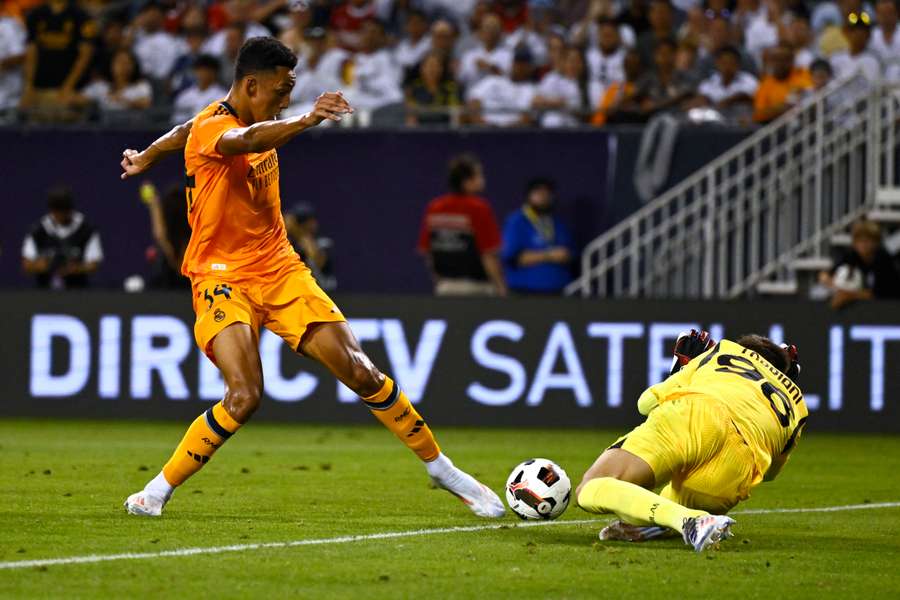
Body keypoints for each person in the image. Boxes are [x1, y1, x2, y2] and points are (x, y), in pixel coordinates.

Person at [118, 37, 503, 519]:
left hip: (279, 268)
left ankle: (443, 470)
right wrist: (305, 117)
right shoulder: (222, 128)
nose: (284, 99)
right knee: (244, 396)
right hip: (221, 276)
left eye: (291, 91)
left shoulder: (208, 122)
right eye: (281, 90)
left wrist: (148, 155)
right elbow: (242, 141)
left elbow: (181, 130)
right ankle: (155, 492)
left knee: (361, 370)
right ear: (252, 85)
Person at [576, 330, 808, 552]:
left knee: (594, 486)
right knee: (664, 507)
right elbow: (770, 474)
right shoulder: (797, 406)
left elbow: (645, 403)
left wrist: (679, 371)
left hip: (698, 413)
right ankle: (685, 521)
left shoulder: (724, 351)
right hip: (739, 465)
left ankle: (686, 519)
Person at [417, 153, 507, 296]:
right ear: (466, 182)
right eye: (478, 176)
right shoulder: (478, 208)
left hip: (445, 287)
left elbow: (428, 253)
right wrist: (500, 287)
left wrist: (440, 281)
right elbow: (488, 254)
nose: (483, 180)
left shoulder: (434, 207)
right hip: (478, 289)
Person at [20, 0, 97, 121]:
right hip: (41, 86)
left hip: (73, 88)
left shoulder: (80, 15)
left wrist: (68, 86)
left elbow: (86, 55)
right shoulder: (35, 14)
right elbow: (31, 53)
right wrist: (29, 86)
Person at [500, 178, 574, 294]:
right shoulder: (517, 221)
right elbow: (512, 257)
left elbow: (569, 253)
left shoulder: (558, 222)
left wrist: (564, 255)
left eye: (547, 193)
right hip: (525, 292)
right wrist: (549, 255)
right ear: (529, 195)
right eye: (539, 193)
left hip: (558, 291)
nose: (543, 197)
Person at [21, 185, 103, 289]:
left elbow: (94, 264)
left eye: (64, 210)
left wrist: (76, 269)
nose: (60, 215)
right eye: (57, 211)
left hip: (78, 292)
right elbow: (26, 265)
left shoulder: (86, 229)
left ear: (70, 209)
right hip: (44, 292)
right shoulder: (38, 230)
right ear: (51, 210)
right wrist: (45, 265)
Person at [819, 219, 900, 309]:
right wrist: (836, 286)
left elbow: (878, 294)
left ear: (876, 243)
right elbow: (824, 275)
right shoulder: (852, 255)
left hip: (892, 303)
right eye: (859, 241)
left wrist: (848, 295)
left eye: (867, 241)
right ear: (854, 243)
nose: (863, 245)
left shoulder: (882, 259)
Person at [695, 45, 758, 122]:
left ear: (738, 64)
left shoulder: (749, 80)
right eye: (724, 63)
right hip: (714, 125)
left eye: (731, 63)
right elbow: (702, 101)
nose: (727, 67)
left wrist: (732, 100)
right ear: (717, 63)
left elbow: (750, 99)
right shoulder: (708, 83)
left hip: (741, 124)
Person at [284, 201, 337, 291]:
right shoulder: (287, 241)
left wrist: (310, 252)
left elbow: (323, 279)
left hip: (321, 292)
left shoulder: (321, 243)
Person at [752, 43, 812, 123]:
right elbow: (758, 114)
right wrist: (783, 107)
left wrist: (774, 109)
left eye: (784, 60)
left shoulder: (802, 76)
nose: (779, 64)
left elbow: (808, 101)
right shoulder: (765, 84)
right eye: (775, 60)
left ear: (792, 61)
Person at [171, 54, 227, 124]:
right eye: (199, 69)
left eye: (206, 70)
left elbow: (223, 122)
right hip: (188, 133)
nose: (202, 73)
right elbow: (177, 120)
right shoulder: (184, 96)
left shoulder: (222, 96)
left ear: (214, 72)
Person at [829, 11, 881, 81]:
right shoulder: (836, 58)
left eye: (863, 30)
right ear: (846, 32)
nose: (859, 34)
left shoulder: (873, 59)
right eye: (854, 30)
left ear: (869, 34)